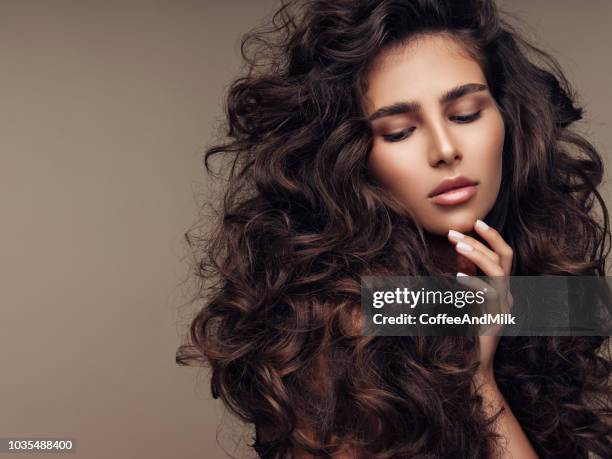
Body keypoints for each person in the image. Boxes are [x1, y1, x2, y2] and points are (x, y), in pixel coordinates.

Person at [176, 0, 612, 457]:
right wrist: (476, 378)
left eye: (465, 114)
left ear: (509, 117)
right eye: (400, 131)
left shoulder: (531, 293)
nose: (445, 149)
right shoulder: (335, 329)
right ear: (348, 156)